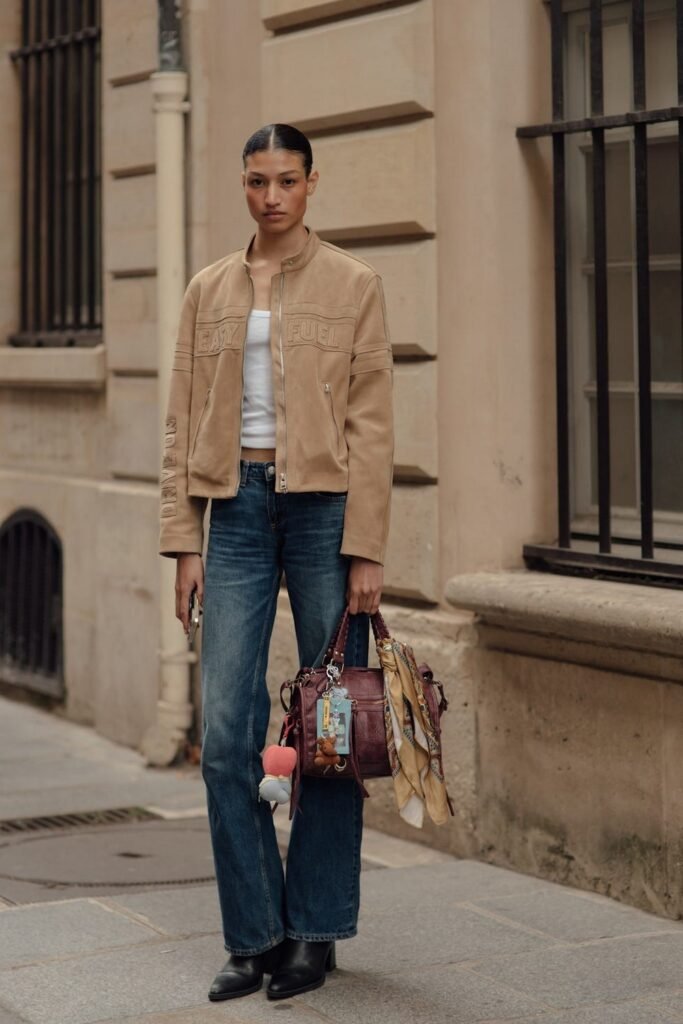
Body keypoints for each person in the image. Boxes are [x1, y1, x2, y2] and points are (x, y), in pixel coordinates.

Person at [158, 123, 394, 1002]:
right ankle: (255, 933)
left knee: (331, 731)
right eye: (256, 181)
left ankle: (315, 932)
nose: (270, 197)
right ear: (244, 185)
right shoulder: (207, 290)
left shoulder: (353, 284)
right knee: (225, 733)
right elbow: (181, 422)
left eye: (286, 181)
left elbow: (372, 425)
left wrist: (365, 546)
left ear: (310, 184)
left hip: (325, 513)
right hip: (236, 513)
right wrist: (184, 539)